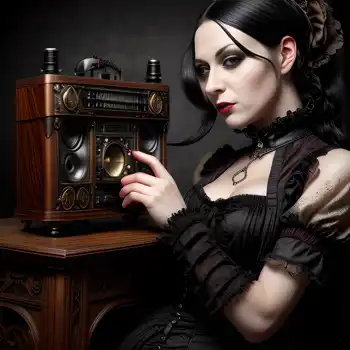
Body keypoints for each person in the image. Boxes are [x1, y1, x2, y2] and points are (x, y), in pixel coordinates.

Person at [117, 0, 350, 348]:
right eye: (203, 69)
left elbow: (258, 320)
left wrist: (179, 218)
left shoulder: (334, 169)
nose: (211, 85)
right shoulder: (213, 166)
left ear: (285, 54)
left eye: (230, 60)